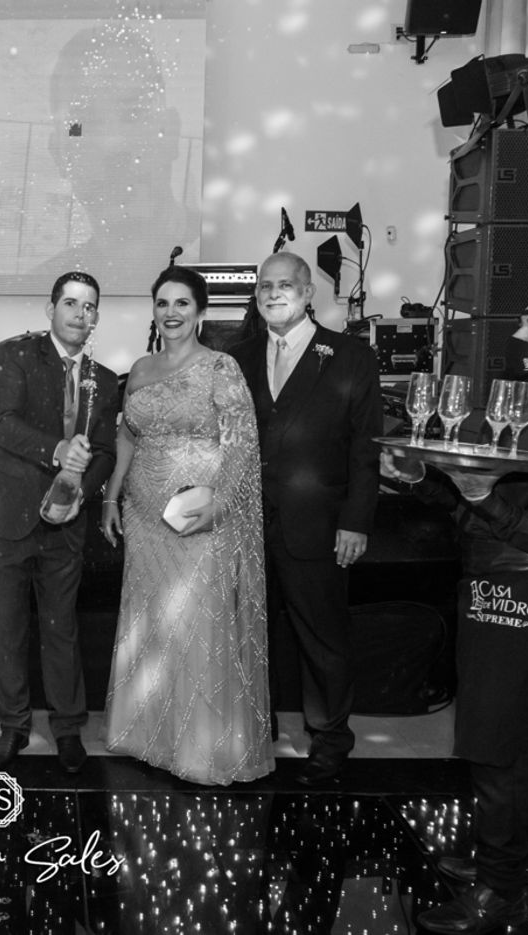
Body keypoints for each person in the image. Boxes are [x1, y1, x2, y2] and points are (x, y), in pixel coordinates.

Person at [384, 286, 528, 934]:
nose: (519, 337)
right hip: (486, 588)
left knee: (494, 745)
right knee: (511, 734)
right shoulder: (513, 413)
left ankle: (499, 891)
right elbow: (471, 503)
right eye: (521, 324)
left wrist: (483, 497)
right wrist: (421, 480)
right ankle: (524, 854)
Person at [99, 265, 273, 785]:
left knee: (196, 624)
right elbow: (128, 436)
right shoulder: (140, 368)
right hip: (144, 517)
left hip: (198, 518)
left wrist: (220, 505)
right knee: (151, 624)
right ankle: (147, 735)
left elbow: (242, 444)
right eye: (162, 303)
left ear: (200, 311)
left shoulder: (221, 367)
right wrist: (111, 496)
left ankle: (200, 747)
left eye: (181, 303)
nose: (170, 313)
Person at [227, 253, 382, 786]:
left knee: (323, 638)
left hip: (318, 526)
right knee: (252, 634)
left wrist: (356, 521)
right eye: (264, 286)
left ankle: (330, 737)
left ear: (308, 292)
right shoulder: (238, 357)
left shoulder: (350, 356)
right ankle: (257, 728)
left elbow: (366, 448)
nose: (273, 293)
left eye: (285, 284)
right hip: (246, 525)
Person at [0, 271, 120, 773]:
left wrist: (82, 493)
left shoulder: (105, 380)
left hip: (65, 522)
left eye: (88, 306)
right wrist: (57, 449)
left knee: (61, 627)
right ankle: (12, 725)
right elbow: (5, 425)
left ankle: (68, 727)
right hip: (4, 515)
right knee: (7, 628)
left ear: (96, 317)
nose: (79, 313)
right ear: (50, 310)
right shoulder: (17, 356)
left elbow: (106, 453)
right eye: (70, 303)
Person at [37, 24, 199, 294]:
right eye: (82, 125)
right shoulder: (45, 283)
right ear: (59, 154)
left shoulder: (225, 252)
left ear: (171, 133)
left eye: (134, 114)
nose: (113, 145)